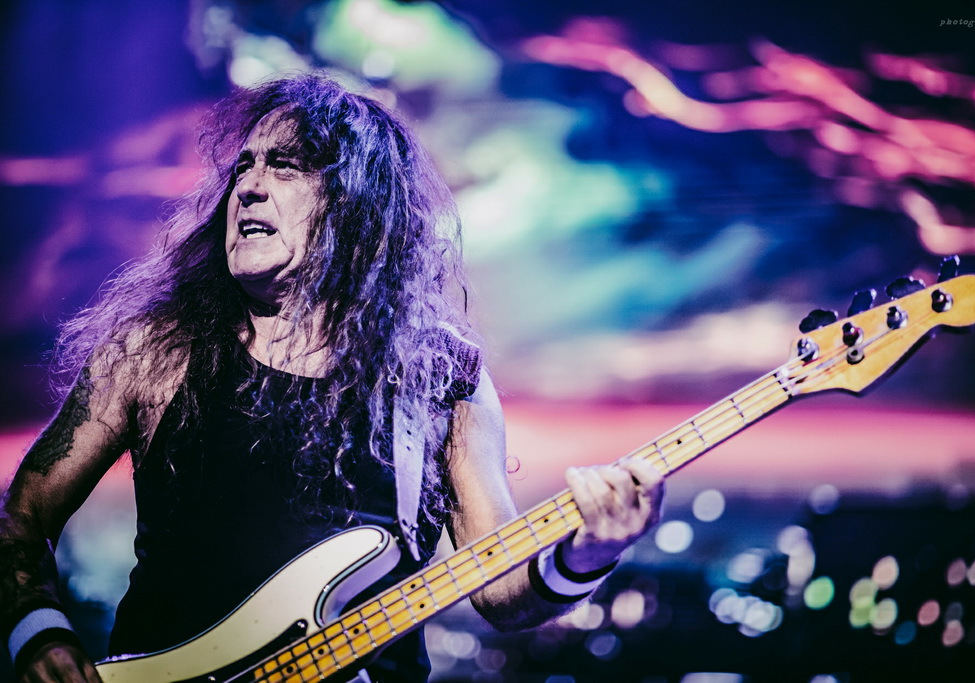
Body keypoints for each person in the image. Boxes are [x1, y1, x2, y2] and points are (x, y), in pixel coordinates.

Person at [0, 74, 664, 683]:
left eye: (284, 165)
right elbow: (21, 515)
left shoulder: (440, 378)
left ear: (355, 204)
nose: (248, 186)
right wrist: (38, 634)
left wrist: (587, 554)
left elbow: (500, 591)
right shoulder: (157, 349)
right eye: (244, 166)